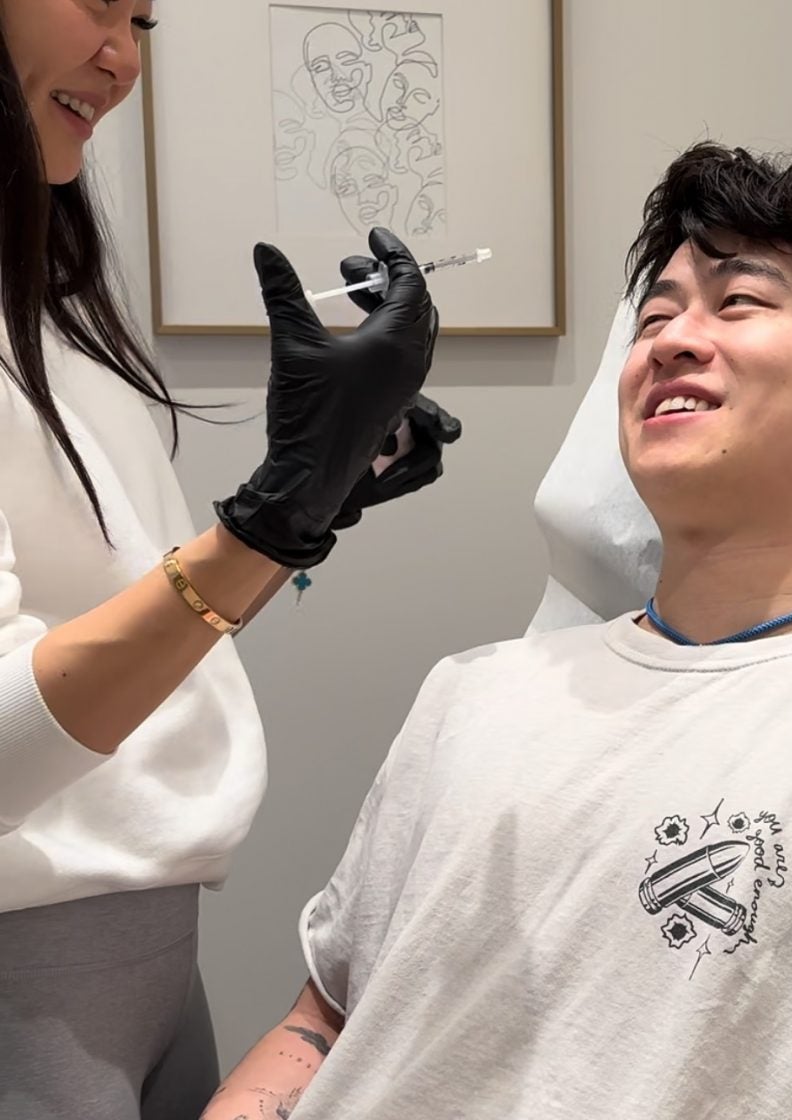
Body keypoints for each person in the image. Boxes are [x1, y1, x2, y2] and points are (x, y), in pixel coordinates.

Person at [205, 142, 792, 1120]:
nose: (673, 340)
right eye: (654, 315)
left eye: (739, 303)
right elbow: (327, 1018)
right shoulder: (470, 693)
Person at [0, 2, 457, 1118]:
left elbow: (131, 626)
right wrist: (266, 526)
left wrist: (305, 509)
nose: (123, 57)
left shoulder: (47, 314)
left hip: (154, 959)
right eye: (94, 2)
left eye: (142, 20)